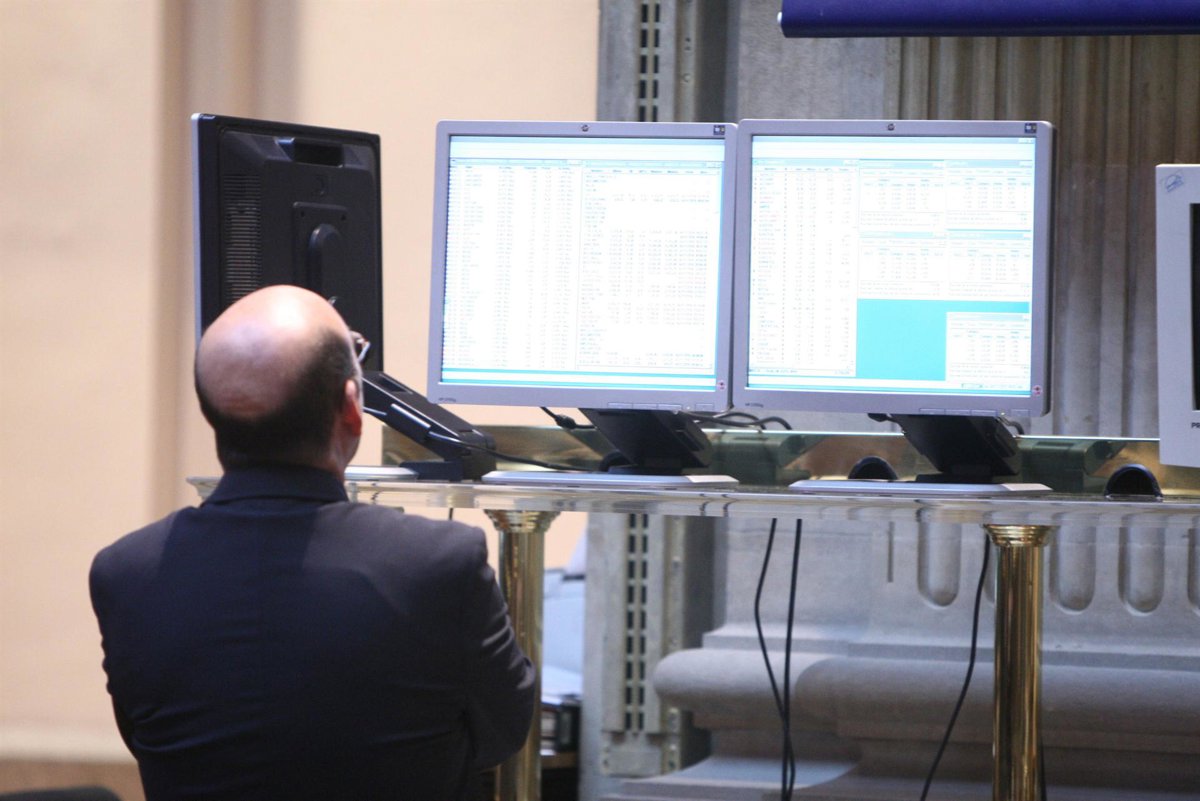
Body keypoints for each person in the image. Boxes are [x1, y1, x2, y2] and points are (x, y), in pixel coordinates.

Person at [89, 285, 536, 800]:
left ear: (212, 411)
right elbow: (502, 736)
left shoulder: (125, 573)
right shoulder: (441, 564)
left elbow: (147, 741)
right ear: (351, 407)